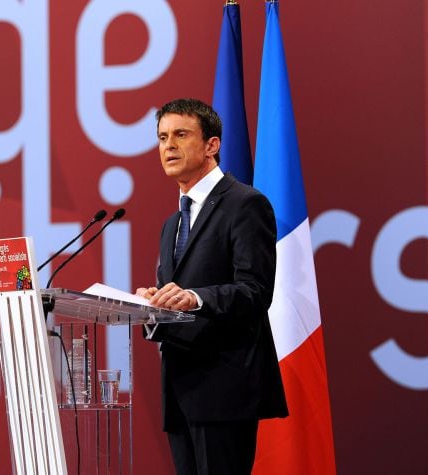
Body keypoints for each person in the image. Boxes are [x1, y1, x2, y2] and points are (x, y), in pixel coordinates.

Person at [136, 98, 288, 474]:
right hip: (180, 390)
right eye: (161, 137)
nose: (168, 146)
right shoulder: (172, 223)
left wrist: (194, 298)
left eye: (180, 135)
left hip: (225, 389)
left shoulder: (246, 205)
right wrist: (151, 306)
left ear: (212, 145)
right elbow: (173, 298)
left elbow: (255, 290)